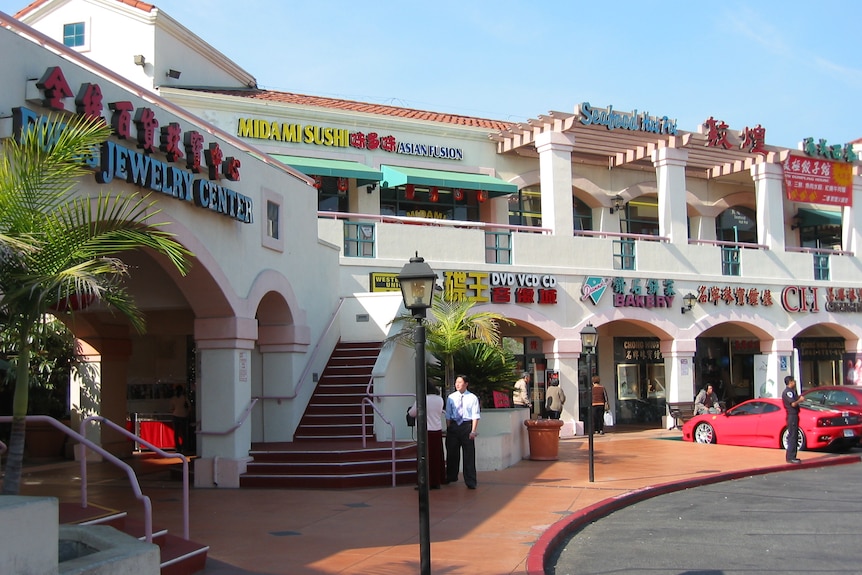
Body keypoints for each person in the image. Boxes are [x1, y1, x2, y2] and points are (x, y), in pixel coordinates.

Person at [408, 382, 446, 489]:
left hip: (425, 432)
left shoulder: (423, 399)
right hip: (437, 430)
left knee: (424, 458)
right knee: (436, 457)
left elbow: (412, 413)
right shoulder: (440, 399)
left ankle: (424, 482)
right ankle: (436, 481)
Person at [445, 375, 480, 489]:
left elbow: (475, 415)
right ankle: (451, 476)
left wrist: (473, 430)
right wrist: (449, 428)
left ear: (466, 384)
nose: (457, 384)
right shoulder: (451, 397)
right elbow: (448, 415)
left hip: (466, 426)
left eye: (460, 382)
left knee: (469, 455)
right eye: (456, 382)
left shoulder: (472, 398)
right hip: (454, 426)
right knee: (452, 453)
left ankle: (470, 480)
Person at [782, 375, 802, 464]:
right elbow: (793, 404)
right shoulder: (788, 392)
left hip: (794, 415)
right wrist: (800, 400)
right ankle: (791, 457)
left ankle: (793, 456)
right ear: (790, 382)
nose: (794, 383)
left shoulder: (792, 391)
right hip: (792, 415)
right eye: (793, 381)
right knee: (792, 436)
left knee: (794, 435)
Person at [169, 385, 190, 454]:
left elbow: (171, 408)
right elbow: (189, 406)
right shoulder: (184, 398)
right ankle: (184, 447)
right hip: (183, 416)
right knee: (184, 433)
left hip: (175, 415)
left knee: (176, 433)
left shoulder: (173, 398)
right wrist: (187, 413)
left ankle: (178, 448)